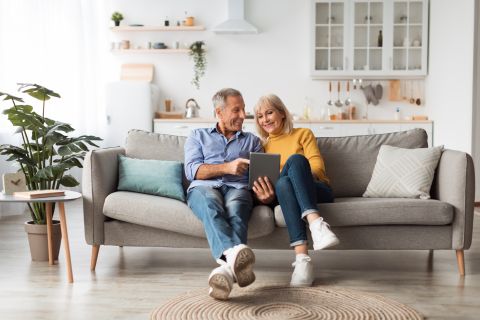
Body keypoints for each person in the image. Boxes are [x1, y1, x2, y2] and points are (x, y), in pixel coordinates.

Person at [252, 94, 339, 287]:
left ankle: (316, 225)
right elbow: (266, 181)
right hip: (283, 194)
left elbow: (317, 168)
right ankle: (303, 262)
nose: (265, 119)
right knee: (283, 184)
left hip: (316, 189)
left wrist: (294, 174)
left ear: (282, 113)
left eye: (269, 112)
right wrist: (266, 193)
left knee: (296, 161)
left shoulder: (303, 134)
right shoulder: (261, 146)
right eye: (259, 116)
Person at [184, 88, 262, 300]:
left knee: (237, 209)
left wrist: (265, 192)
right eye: (236, 110)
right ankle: (233, 255)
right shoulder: (197, 136)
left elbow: (261, 176)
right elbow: (192, 171)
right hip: (204, 187)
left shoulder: (253, 141)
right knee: (211, 206)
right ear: (219, 112)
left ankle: (225, 272)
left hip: (238, 189)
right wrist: (227, 168)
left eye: (243, 109)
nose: (242, 115)